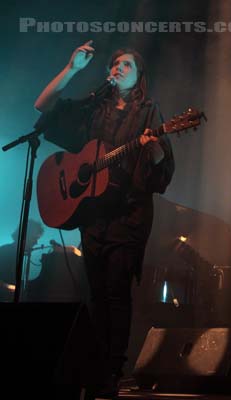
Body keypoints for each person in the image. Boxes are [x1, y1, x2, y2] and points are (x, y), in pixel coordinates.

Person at [34, 40, 175, 398]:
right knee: (95, 293)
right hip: (93, 217)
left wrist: (154, 147)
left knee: (115, 290)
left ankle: (112, 370)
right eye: (113, 65)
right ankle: (94, 369)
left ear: (139, 75)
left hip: (128, 216)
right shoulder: (94, 109)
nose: (117, 69)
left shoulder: (149, 112)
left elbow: (162, 170)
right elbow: (43, 106)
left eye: (125, 65)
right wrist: (72, 68)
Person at [0, 221, 44, 302]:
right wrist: (9, 287)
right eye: (34, 238)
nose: (36, 242)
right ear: (25, 236)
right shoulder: (4, 251)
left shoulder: (23, 254)